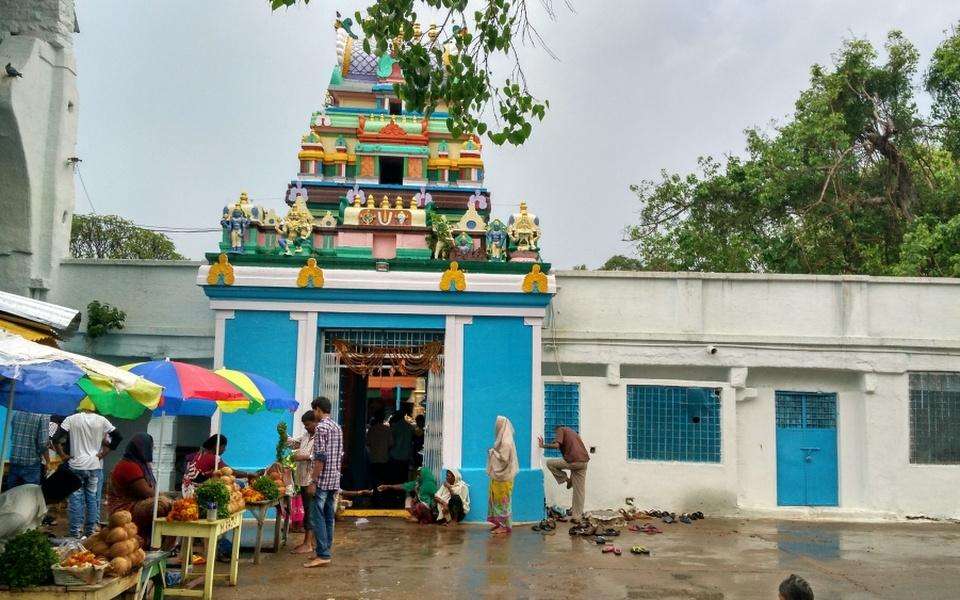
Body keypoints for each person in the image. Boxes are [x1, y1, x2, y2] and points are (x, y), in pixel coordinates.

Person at [54, 403, 121, 538]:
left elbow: (55, 438)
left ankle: (75, 532)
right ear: (94, 407)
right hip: (94, 466)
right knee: (92, 499)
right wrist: (103, 453)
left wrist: (62, 455)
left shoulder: (71, 419)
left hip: (75, 466)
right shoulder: (102, 420)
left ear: (81, 407)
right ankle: (90, 532)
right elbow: (118, 436)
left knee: (75, 499)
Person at [107, 433, 172, 541]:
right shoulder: (128, 466)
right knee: (161, 505)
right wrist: (169, 500)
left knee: (171, 505)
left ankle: (162, 543)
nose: (152, 450)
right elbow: (146, 492)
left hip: (137, 503)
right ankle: (157, 543)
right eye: (150, 447)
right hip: (124, 508)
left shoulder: (141, 465)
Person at [0, 465, 81, 550]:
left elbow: (24, 530)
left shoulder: (33, 490)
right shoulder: (18, 515)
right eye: (67, 496)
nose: (66, 500)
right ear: (60, 496)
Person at [304, 396, 343, 569]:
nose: (314, 413)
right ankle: (324, 550)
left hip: (322, 479)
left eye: (314, 410)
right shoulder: (337, 427)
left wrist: (313, 480)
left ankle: (323, 554)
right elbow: (339, 454)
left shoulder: (321, 427)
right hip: (334, 478)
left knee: (317, 517)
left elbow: (320, 457)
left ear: (318, 409)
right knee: (328, 516)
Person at [539, 424, 590, 522]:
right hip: (583, 462)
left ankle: (566, 479)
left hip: (574, 461)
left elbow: (556, 445)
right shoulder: (572, 432)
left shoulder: (560, 430)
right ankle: (577, 517)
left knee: (550, 463)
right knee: (579, 492)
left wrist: (543, 445)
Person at [181, 434, 257, 496]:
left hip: (185, 489)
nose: (225, 449)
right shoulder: (213, 458)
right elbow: (231, 471)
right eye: (224, 447)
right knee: (237, 484)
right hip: (195, 492)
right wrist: (248, 474)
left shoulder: (200, 453)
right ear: (217, 446)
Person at [289, 411, 317, 555]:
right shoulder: (306, 436)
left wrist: (303, 457)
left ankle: (308, 544)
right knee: (309, 509)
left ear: (315, 422)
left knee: (311, 510)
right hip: (302, 478)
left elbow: (319, 456)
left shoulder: (320, 437)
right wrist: (284, 437)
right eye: (305, 425)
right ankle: (311, 542)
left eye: (308, 425)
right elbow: (294, 443)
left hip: (311, 479)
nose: (306, 428)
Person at [486, 415, 519, 535]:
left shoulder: (506, 442)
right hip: (500, 477)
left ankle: (505, 526)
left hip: (504, 477)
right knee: (497, 500)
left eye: (497, 424)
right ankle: (500, 524)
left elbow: (504, 459)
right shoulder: (504, 439)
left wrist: (492, 453)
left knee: (503, 501)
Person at [6, 410, 49, 488]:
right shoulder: (43, 415)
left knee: (12, 494)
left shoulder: (16, 412)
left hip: (14, 460)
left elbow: (12, 436)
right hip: (31, 463)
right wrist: (48, 461)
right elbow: (43, 443)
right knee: (29, 495)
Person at [365, 411, 391, 493]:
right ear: (383, 419)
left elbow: (367, 443)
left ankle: (375, 495)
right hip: (384, 458)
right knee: (383, 478)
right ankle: (382, 494)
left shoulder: (371, 430)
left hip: (374, 458)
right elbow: (391, 443)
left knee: (374, 478)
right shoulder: (387, 429)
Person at [388, 408, 414, 485]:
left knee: (395, 476)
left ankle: (396, 493)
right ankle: (402, 493)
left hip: (395, 456)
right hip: (406, 456)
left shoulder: (394, 427)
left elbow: (391, 442)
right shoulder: (410, 427)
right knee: (404, 477)